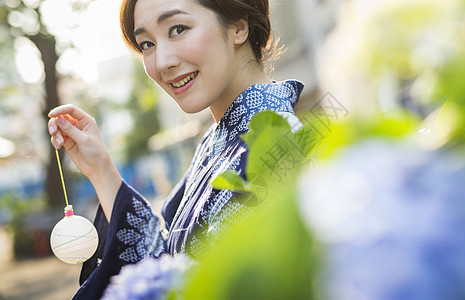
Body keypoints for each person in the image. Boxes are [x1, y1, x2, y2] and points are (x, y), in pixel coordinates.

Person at [47, 0, 303, 299]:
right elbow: (169, 265)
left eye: (178, 29)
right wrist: (100, 168)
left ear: (239, 27)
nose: (161, 62)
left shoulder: (274, 151)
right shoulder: (219, 142)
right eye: (146, 44)